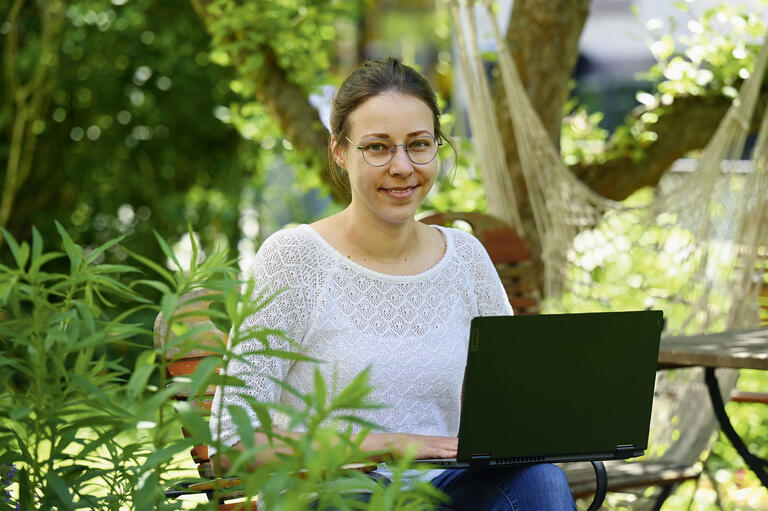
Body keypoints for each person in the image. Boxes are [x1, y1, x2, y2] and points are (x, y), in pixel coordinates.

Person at [209, 57, 576, 510]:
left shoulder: (465, 258)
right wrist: (390, 444)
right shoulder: (293, 260)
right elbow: (233, 441)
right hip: (333, 491)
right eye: (378, 147)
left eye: (419, 144)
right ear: (340, 152)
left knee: (541, 482)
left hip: (447, 491)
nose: (403, 166)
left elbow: (512, 407)